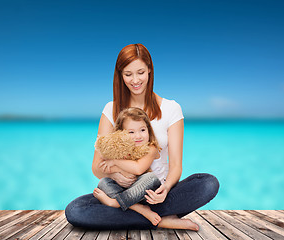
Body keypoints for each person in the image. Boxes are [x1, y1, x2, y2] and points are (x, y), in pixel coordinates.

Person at [65, 43, 219, 230]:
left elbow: (176, 165)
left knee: (208, 183)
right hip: (121, 191)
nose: (135, 80)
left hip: (158, 193)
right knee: (75, 210)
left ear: (149, 71)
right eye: (128, 74)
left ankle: (138, 213)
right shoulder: (111, 110)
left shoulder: (171, 109)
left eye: (140, 72)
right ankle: (160, 220)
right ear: (120, 76)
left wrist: (166, 189)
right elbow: (97, 167)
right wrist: (115, 174)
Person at [94, 107, 163, 226]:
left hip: (146, 194)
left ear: (148, 130)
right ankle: (138, 208)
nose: (138, 136)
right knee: (103, 182)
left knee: (151, 177)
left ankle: (115, 203)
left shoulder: (151, 148)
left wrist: (115, 162)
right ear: (121, 134)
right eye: (131, 132)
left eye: (142, 130)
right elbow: (103, 167)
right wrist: (115, 171)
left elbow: (138, 169)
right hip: (127, 194)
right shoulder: (120, 150)